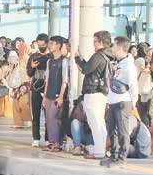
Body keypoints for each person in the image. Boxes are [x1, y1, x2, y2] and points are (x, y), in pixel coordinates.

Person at [74, 30, 113, 160]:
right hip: (102, 93)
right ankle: (101, 149)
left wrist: (77, 58)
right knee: (100, 123)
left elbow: (86, 69)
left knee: (95, 123)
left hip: (93, 92)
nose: (93, 44)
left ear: (101, 42)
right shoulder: (108, 56)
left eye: (95, 41)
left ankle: (99, 152)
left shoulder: (98, 56)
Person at [102, 36, 138, 167]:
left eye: (114, 45)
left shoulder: (129, 65)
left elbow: (133, 86)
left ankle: (122, 158)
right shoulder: (119, 63)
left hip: (123, 101)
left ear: (119, 47)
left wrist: (133, 102)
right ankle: (114, 155)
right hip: (113, 100)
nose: (112, 48)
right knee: (111, 129)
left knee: (122, 131)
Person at [42, 36, 68, 152]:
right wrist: (44, 95)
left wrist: (61, 96)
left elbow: (64, 81)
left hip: (58, 95)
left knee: (53, 118)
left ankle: (57, 143)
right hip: (48, 94)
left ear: (58, 45)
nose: (50, 45)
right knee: (48, 119)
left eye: (52, 43)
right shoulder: (49, 61)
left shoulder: (64, 61)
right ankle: (52, 142)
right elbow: (47, 79)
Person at [26, 33, 50, 147]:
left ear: (47, 43)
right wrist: (32, 66)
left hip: (47, 87)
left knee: (48, 115)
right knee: (35, 114)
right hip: (35, 86)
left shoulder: (50, 57)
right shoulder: (33, 56)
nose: (41, 47)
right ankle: (36, 137)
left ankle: (48, 138)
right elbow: (29, 73)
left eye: (43, 44)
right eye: (39, 45)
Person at [5, 50, 31, 129]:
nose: (11, 59)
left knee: (23, 104)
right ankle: (18, 123)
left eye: (13, 58)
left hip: (23, 86)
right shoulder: (10, 67)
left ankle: (28, 121)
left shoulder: (21, 64)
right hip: (15, 87)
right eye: (10, 58)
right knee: (15, 105)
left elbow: (26, 73)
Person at [136, 43, 153, 126]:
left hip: (148, 91)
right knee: (143, 112)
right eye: (149, 54)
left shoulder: (149, 63)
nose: (150, 56)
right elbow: (144, 71)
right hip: (142, 90)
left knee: (146, 112)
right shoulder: (141, 61)